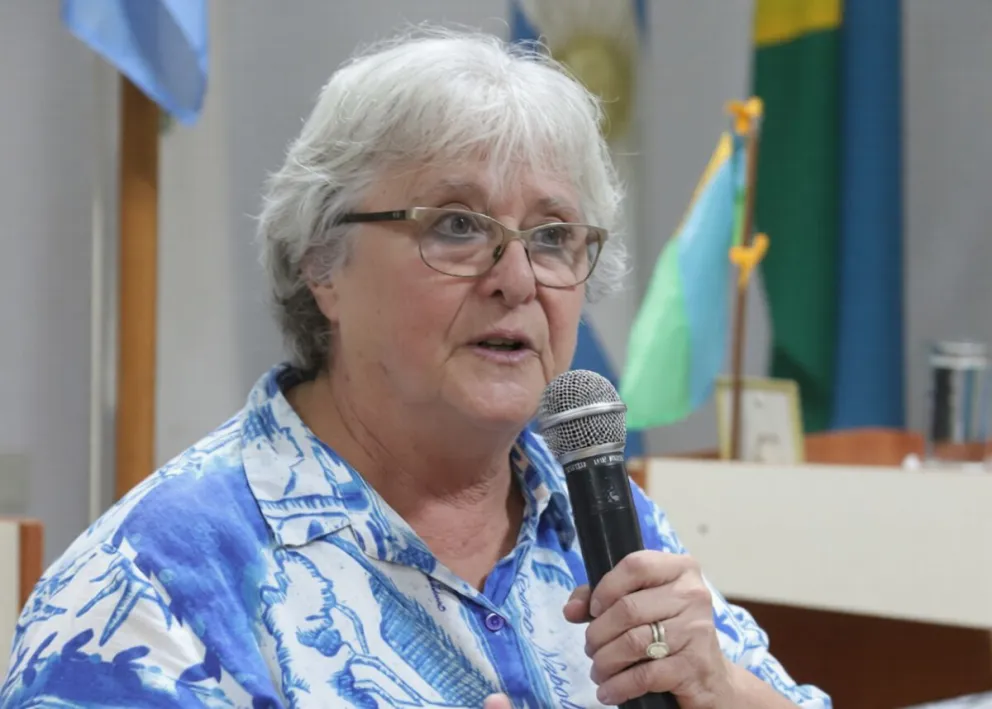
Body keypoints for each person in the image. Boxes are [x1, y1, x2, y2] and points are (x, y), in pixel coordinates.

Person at [0, 27, 830, 709]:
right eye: (458, 226)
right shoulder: (163, 576)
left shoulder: (600, 517)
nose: (516, 278)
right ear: (322, 263)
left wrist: (720, 687)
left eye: (552, 237)